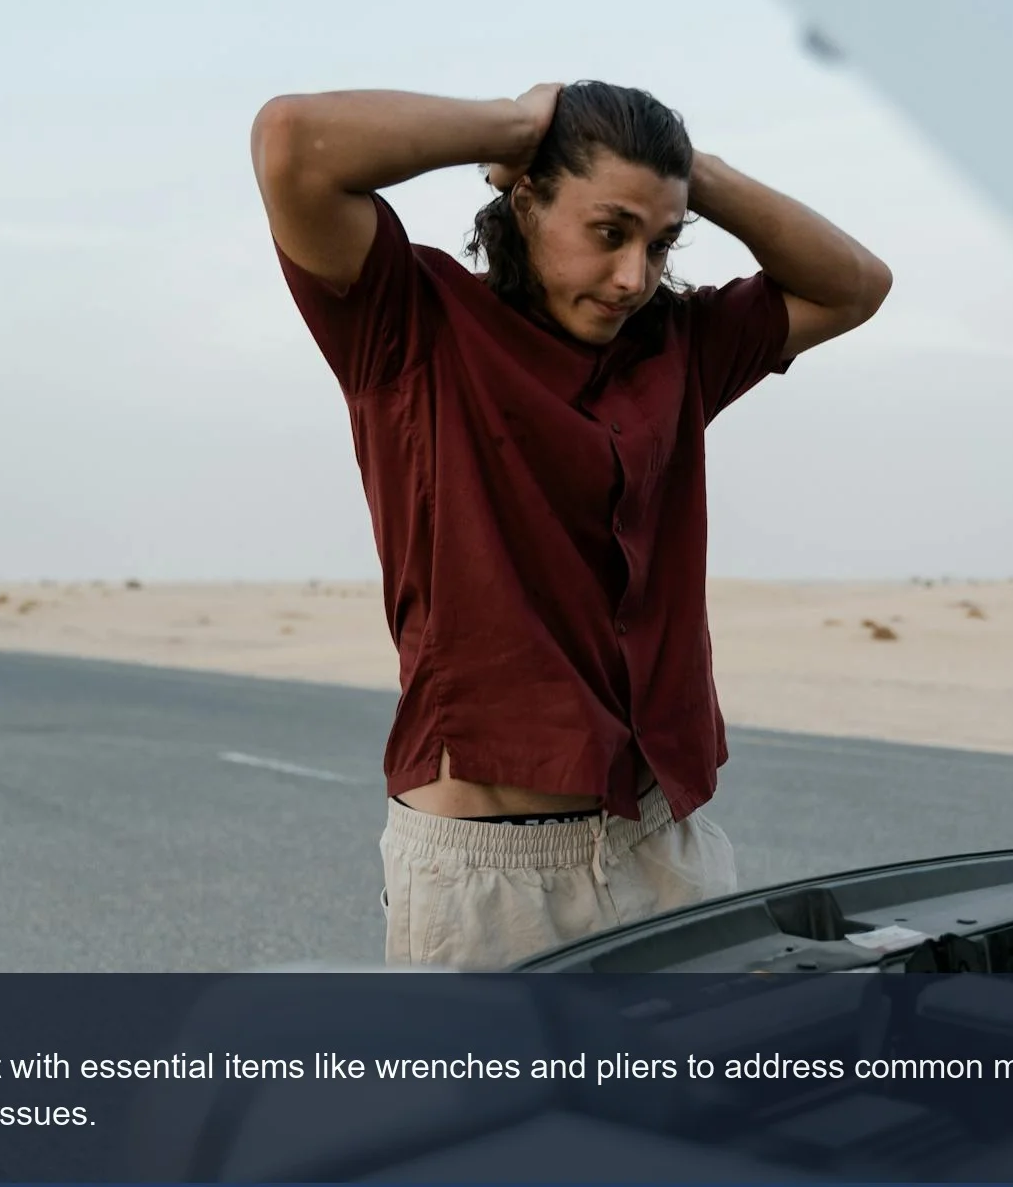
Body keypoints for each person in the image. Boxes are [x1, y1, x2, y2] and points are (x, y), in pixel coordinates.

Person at [250, 80, 890, 969]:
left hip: (664, 849)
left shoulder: (679, 347)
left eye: (661, 242)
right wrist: (524, 125)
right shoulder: (409, 326)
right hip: (491, 885)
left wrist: (688, 172)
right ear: (525, 199)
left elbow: (857, 284)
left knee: (701, 1111)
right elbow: (294, 143)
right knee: (496, 1117)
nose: (636, 275)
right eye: (608, 231)